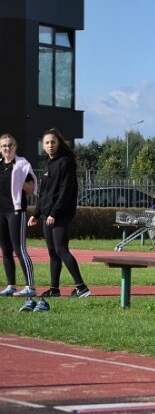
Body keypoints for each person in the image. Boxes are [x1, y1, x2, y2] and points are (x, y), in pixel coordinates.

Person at [27, 128, 91, 299]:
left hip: (59, 214)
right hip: (47, 214)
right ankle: (54, 289)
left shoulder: (65, 162)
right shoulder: (49, 163)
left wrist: (54, 213)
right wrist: (36, 213)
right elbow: (45, 193)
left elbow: (65, 190)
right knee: (53, 253)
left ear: (59, 143)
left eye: (53, 142)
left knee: (62, 250)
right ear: (43, 145)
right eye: (47, 143)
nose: (50, 145)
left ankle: (82, 288)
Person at [0, 134, 38, 303]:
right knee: (5, 250)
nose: (7, 149)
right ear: (0, 149)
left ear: (15, 147)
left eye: (10, 145)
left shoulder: (22, 165)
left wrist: (20, 181)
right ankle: (11, 285)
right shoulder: (0, 166)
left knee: (19, 249)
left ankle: (30, 287)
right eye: (3, 146)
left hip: (16, 211)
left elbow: (31, 190)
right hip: (1, 212)